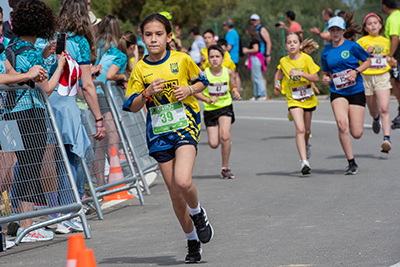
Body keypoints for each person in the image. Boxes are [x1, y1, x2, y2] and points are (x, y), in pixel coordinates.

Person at [122, 13, 214, 264]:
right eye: (148, 35)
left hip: (185, 125)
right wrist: (146, 92)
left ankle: (198, 214)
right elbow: (131, 105)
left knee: (183, 181)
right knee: (175, 194)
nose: (153, 39)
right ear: (141, 38)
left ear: (169, 36)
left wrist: (189, 90)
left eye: (159, 34)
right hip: (159, 133)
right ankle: (192, 239)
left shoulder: (182, 60)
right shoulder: (140, 68)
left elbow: (202, 81)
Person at [3, 0, 67, 242]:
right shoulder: (30, 53)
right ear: (42, 23)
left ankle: (15, 221)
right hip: (31, 115)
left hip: (8, 114)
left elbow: (21, 74)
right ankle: (27, 227)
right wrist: (60, 65)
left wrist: (44, 55)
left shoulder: (11, 46)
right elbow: (47, 88)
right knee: (30, 169)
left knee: (8, 169)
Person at [321, 16, 371, 175]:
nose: (335, 33)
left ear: (343, 31)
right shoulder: (326, 52)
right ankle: (351, 163)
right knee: (342, 125)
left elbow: (367, 61)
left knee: (356, 133)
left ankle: (353, 119)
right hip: (337, 92)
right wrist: (325, 78)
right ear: (329, 32)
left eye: (338, 30)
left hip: (355, 91)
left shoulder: (352, 46)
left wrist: (356, 71)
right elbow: (325, 73)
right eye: (332, 30)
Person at [92, 30, 137, 186]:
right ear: (132, 47)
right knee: (112, 137)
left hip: (98, 93)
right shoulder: (122, 56)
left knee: (102, 140)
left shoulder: (112, 51)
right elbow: (110, 75)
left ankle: (101, 181)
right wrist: (124, 77)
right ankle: (108, 180)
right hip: (101, 95)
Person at [274, 34, 320, 175]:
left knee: (306, 130)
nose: (292, 45)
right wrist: (277, 83)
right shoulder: (284, 61)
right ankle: (304, 162)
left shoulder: (307, 59)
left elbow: (315, 77)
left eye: (295, 42)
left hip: (307, 97)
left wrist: (301, 74)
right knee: (300, 129)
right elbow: (279, 74)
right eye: (289, 42)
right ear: (286, 46)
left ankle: (306, 145)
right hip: (293, 99)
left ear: (300, 45)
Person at [194, 45, 241, 179]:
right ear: (208, 59)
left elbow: (233, 86)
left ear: (222, 58)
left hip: (225, 107)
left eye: (217, 56)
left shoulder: (228, 72)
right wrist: (207, 99)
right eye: (212, 57)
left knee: (225, 136)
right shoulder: (203, 74)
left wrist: (235, 91)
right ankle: (223, 141)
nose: (214, 59)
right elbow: (195, 92)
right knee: (214, 144)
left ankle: (225, 168)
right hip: (210, 110)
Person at [357, 13, 396, 153]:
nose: (373, 25)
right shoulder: (361, 41)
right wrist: (365, 52)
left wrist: (393, 62)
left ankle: (387, 138)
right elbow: (355, 59)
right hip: (367, 77)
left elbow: (389, 58)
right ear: (365, 27)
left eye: (375, 23)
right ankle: (375, 118)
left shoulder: (387, 41)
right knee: (373, 110)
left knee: (384, 108)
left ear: (380, 25)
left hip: (382, 76)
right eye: (369, 23)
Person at [381, 0, 400, 126]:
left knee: (396, 82)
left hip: (398, 53)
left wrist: (390, 55)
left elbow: (395, 38)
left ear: (384, 6)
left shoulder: (392, 18)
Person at [243, 23, 267, 101]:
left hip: (256, 58)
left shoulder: (254, 39)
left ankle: (262, 94)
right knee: (254, 77)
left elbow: (256, 49)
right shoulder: (252, 39)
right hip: (253, 58)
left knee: (258, 76)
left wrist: (247, 50)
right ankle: (256, 94)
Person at [250, 14, 272, 91]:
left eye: (255, 20)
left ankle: (263, 93)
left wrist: (268, 55)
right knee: (259, 74)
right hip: (256, 55)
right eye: (252, 20)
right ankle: (262, 93)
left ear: (259, 21)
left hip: (261, 55)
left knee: (260, 75)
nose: (254, 22)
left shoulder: (262, 29)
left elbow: (268, 42)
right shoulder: (253, 30)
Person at [223, 19, 241, 90]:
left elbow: (229, 46)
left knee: (234, 75)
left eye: (224, 25)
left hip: (231, 57)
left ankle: (236, 91)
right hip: (234, 56)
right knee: (235, 74)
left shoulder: (230, 33)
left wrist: (222, 52)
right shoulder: (234, 32)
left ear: (227, 26)